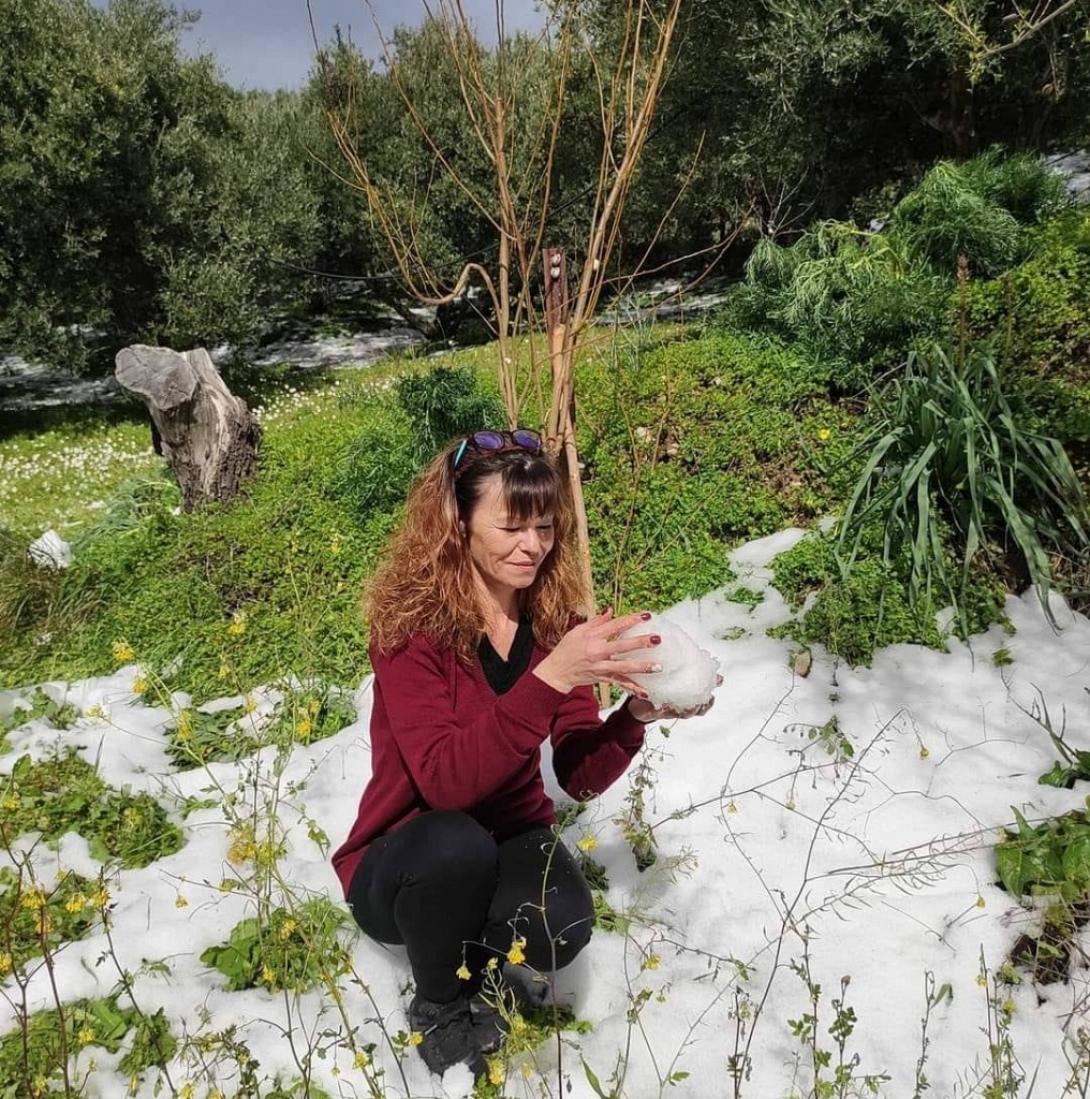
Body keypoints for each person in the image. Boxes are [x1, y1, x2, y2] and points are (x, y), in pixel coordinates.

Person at [331, 429, 716, 1079]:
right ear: (457, 524)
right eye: (511, 525)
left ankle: (465, 948)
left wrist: (633, 718)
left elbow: (577, 772)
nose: (533, 544)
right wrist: (552, 678)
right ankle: (440, 1000)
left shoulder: (552, 623)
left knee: (561, 923)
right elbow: (446, 782)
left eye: (543, 525)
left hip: (503, 837)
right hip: (404, 860)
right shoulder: (411, 630)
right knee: (454, 842)